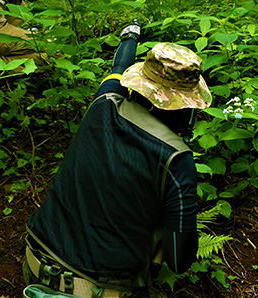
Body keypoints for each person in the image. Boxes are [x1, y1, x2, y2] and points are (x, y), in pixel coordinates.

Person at [23, 21, 212, 298]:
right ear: (188, 105)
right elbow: (179, 260)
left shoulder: (103, 103)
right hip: (96, 290)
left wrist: (131, 35)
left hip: (36, 260)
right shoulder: (175, 159)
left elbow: (116, 71)